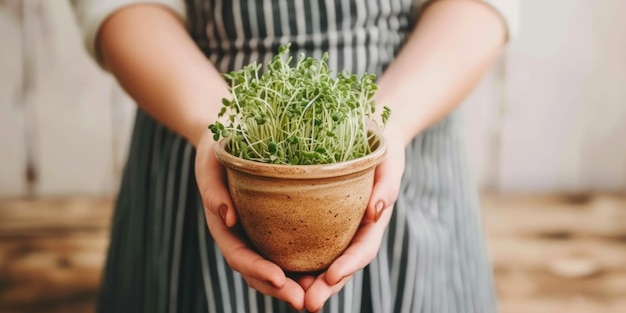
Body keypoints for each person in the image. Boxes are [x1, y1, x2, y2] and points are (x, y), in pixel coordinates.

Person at [72, 0, 517, 312]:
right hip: (192, 117)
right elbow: (123, 6)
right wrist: (217, 127)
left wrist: (385, 126)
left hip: (411, 117)